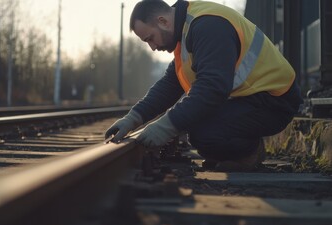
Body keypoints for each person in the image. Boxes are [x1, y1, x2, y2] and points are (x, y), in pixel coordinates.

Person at [105, 0, 303, 171]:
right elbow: (169, 85)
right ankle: (234, 147)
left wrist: (166, 127)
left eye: (150, 38)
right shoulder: (187, 31)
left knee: (204, 135)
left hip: (274, 100)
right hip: (251, 99)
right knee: (199, 128)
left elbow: (212, 89)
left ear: (162, 21)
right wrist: (133, 118)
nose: (153, 47)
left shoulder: (207, 26)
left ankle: (249, 151)